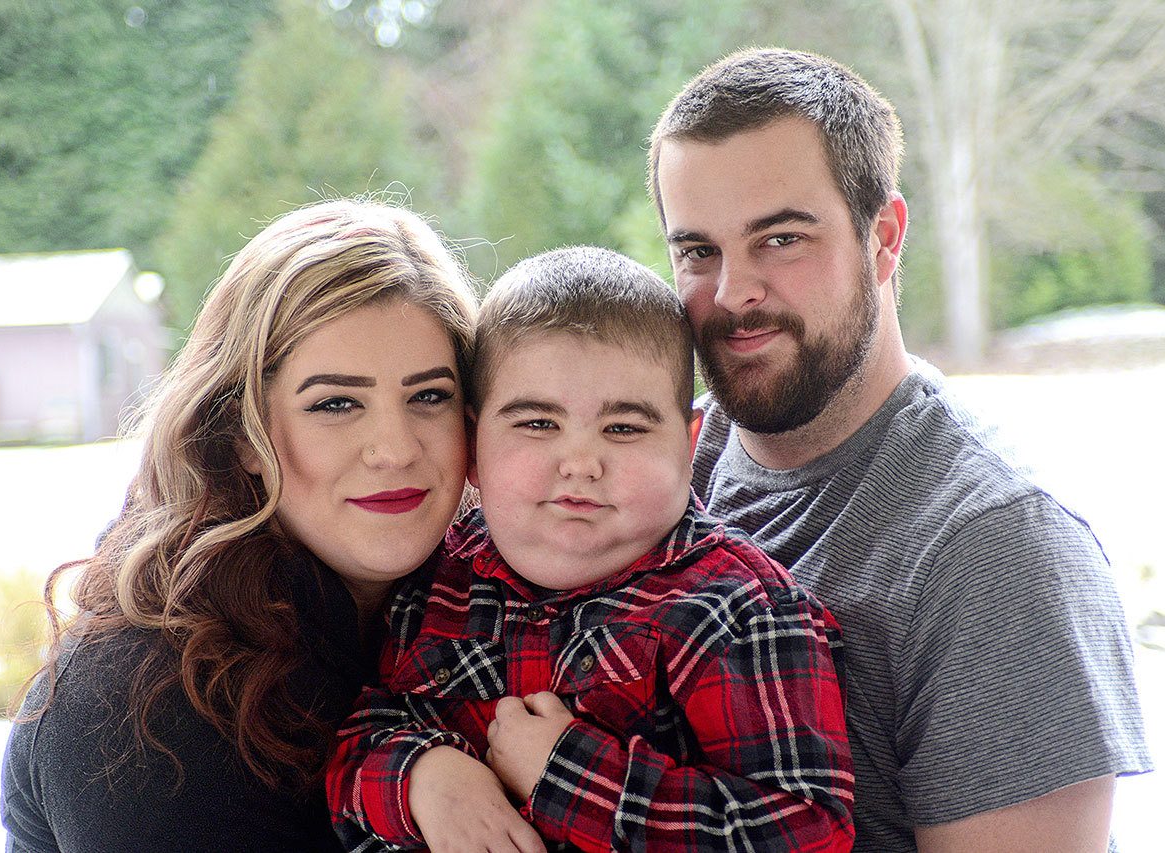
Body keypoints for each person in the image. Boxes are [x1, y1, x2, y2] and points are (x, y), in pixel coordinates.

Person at [647, 47, 1152, 852]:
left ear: (882, 237)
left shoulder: (993, 549)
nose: (733, 290)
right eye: (698, 251)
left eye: (780, 239)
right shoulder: (648, 466)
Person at [326, 246, 855, 853]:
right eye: (537, 424)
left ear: (688, 444)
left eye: (624, 428)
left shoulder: (736, 611)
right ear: (472, 444)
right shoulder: (434, 581)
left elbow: (808, 833)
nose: (580, 463)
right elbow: (355, 740)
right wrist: (423, 777)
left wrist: (569, 775)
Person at [1, 199, 482, 851]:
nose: (395, 448)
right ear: (241, 433)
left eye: (429, 396)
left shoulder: (491, 613)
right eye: (336, 403)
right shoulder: (149, 701)